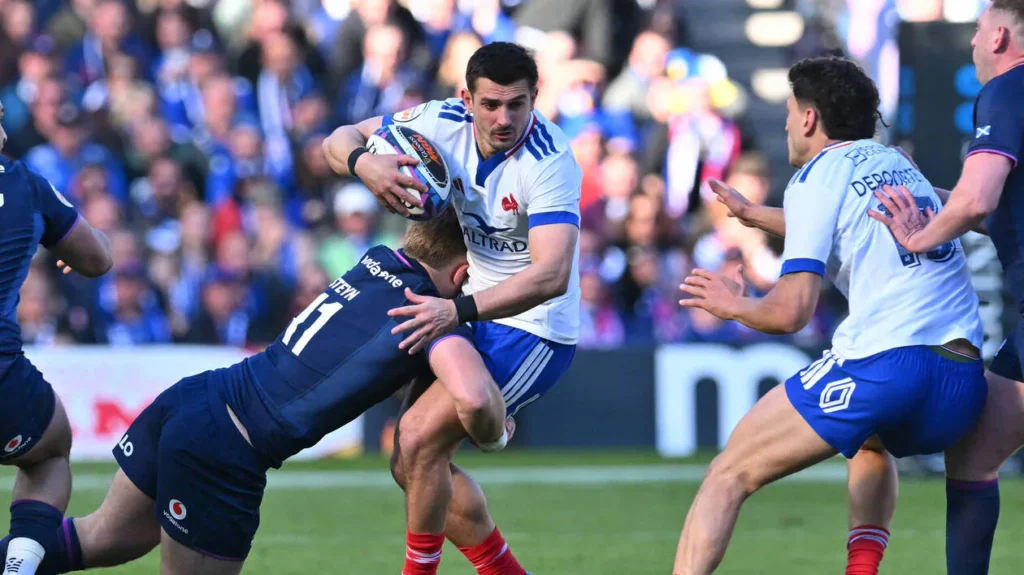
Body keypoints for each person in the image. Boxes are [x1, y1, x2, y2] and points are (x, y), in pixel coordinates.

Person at [0, 209, 509, 575]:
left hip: (195, 398)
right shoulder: (433, 313)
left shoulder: (377, 259)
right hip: (227, 449)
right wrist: (495, 434)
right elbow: (475, 399)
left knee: (100, 538)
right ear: (463, 273)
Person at [671, 57, 987, 575]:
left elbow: (792, 312)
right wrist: (753, 215)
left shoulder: (817, 175)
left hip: (888, 366)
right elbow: (835, 220)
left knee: (727, 474)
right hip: (959, 382)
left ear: (811, 118)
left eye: (791, 112)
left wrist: (735, 306)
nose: (789, 124)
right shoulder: (897, 164)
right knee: (868, 442)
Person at [323, 41, 580, 575]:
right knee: (410, 463)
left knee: (416, 441)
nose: (504, 118)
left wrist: (457, 311)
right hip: (466, 308)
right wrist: (362, 163)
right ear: (466, 98)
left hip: (531, 328)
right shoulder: (438, 121)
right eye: (490, 104)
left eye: (517, 104)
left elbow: (551, 274)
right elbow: (336, 140)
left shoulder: (551, 160)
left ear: (536, 98)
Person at [857, 2, 1024, 573]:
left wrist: (921, 237)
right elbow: (990, 207)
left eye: (978, 32)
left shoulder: (1007, 89)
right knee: (976, 453)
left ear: (1000, 35)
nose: (975, 43)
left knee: (974, 456)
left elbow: (979, 198)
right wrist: (935, 199)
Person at [0, 98, 114, 575]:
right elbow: (98, 259)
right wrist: (59, 238)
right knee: (48, 452)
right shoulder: (24, 185)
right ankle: (20, 565)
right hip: (2, 378)